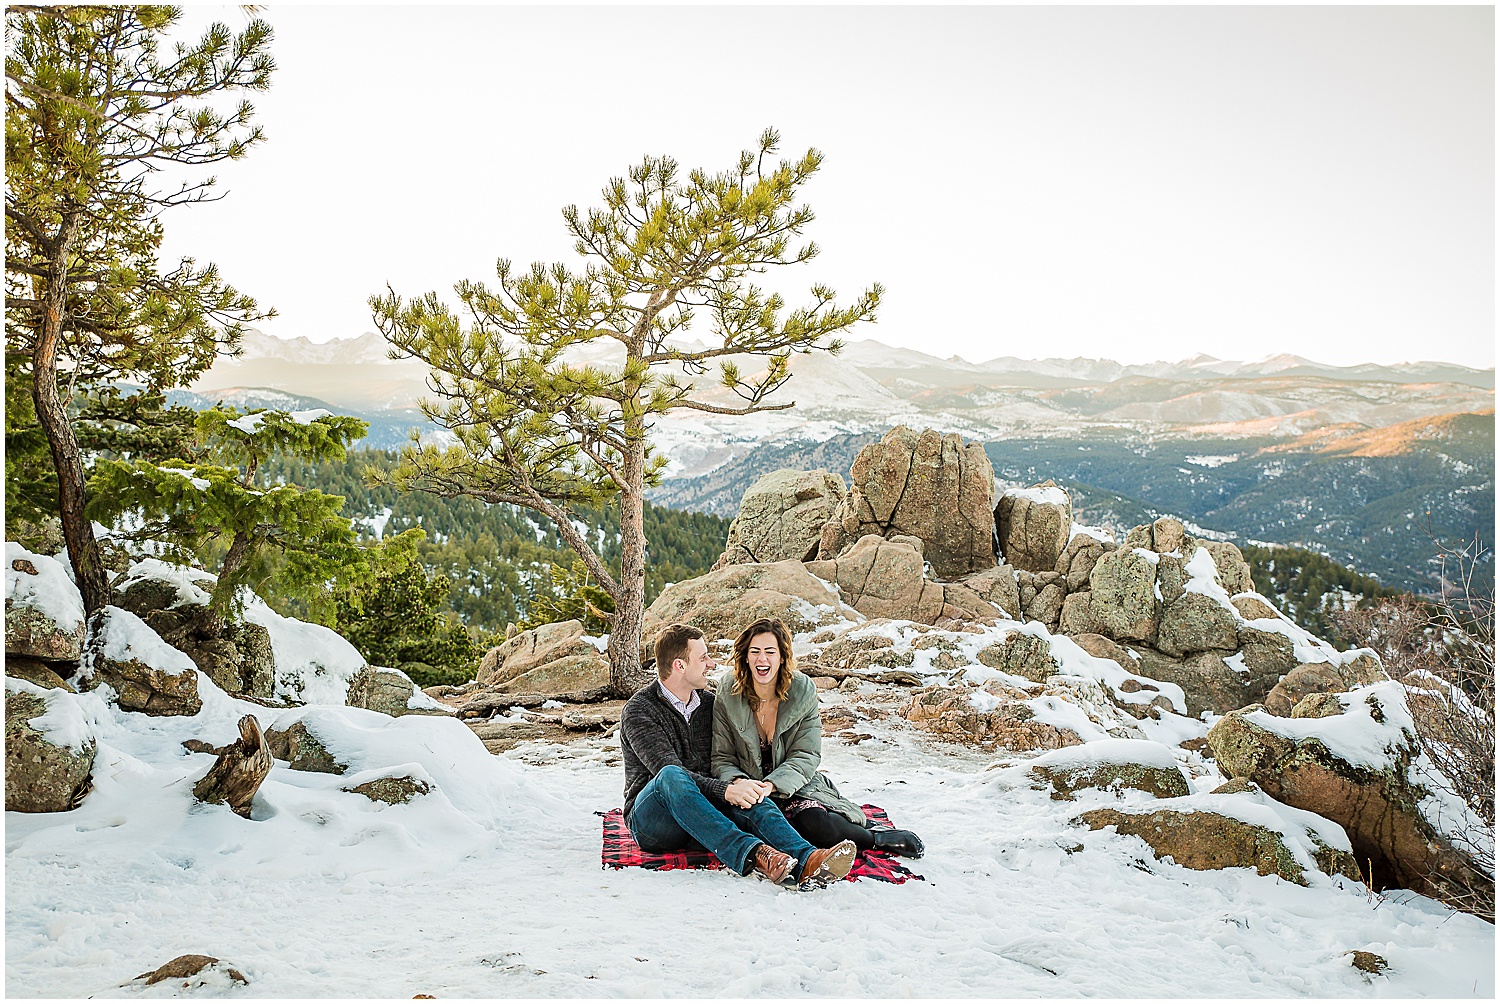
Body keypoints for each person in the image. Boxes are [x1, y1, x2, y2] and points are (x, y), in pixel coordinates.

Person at [620, 622, 858, 887]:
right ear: (680, 666)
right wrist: (725, 791)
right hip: (655, 823)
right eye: (703, 658)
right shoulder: (640, 711)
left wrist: (742, 787)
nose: (711, 664)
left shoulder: (708, 703)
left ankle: (808, 859)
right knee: (671, 775)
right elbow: (669, 772)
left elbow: (723, 758)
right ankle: (755, 853)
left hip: (703, 816)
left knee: (750, 792)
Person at [711, 617, 926, 858]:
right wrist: (739, 783)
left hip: (794, 783)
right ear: (745, 656)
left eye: (770, 652)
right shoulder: (728, 691)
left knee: (815, 825)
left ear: (782, 657)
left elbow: (806, 754)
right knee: (755, 829)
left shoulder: (802, 690)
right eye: (755, 652)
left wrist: (772, 785)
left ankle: (875, 837)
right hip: (747, 789)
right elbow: (721, 757)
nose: (762, 659)